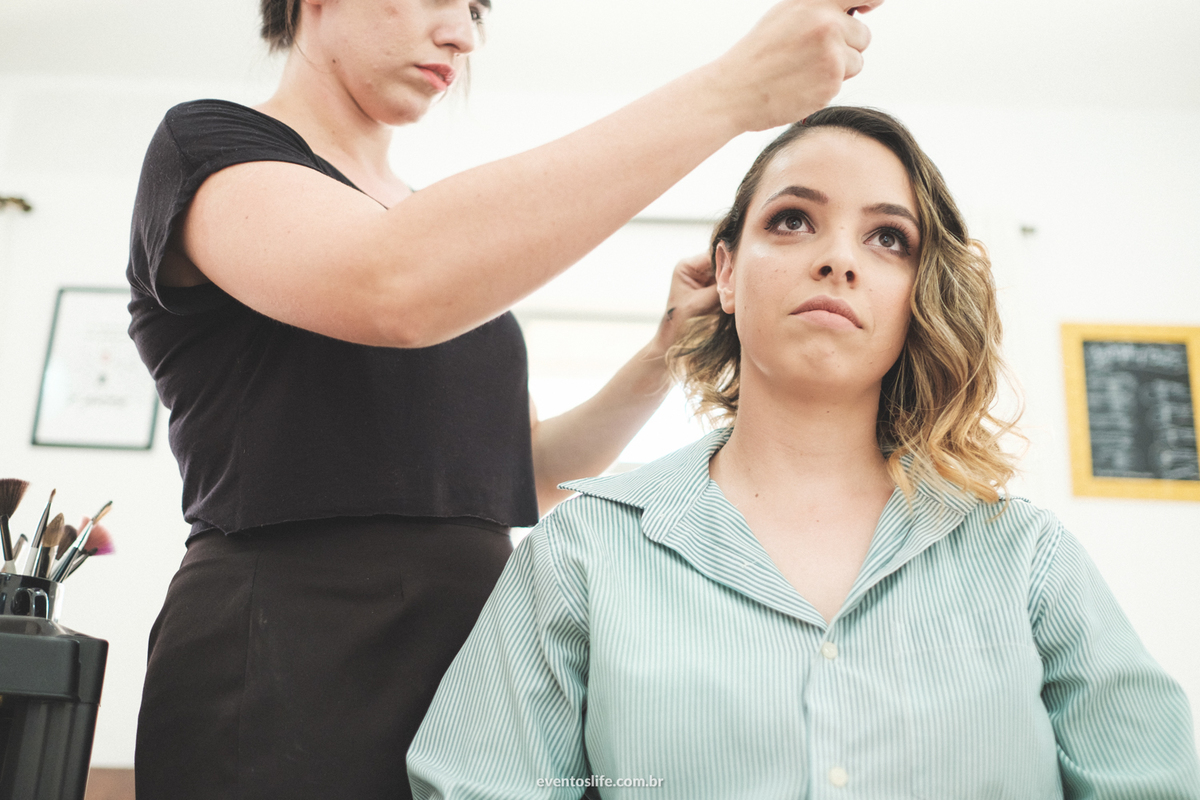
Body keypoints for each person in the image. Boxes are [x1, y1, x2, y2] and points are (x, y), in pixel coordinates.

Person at [125, 0, 886, 798]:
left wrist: (661, 355)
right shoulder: (208, 148)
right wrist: (732, 91)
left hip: (470, 661)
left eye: (476, 13)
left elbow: (527, 472)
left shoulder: (429, 233)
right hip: (287, 653)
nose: (462, 34)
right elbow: (392, 285)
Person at [406, 107, 1200, 799]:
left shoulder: (1027, 557)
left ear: (919, 294)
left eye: (888, 238)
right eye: (792, 220)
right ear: (724, 269)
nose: (838, 259)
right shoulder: (581, 552)